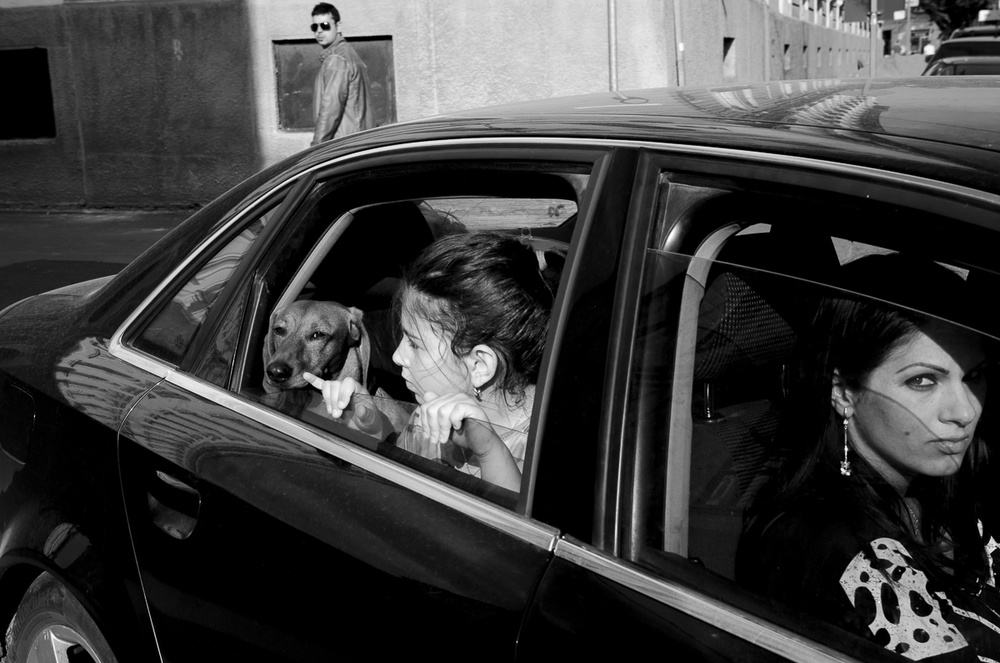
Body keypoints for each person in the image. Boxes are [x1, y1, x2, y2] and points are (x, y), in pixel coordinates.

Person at [736, 253, 1000, 661]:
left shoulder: (941, 489)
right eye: (923, 381)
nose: (964, 411)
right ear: (844, 392)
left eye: (974, 376)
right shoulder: (839, 549)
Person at [305, 232, 563, 491]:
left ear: (479, 365)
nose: (397, 356)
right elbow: (404, 479)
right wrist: (371, 429)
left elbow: (516, 515)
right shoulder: (429, 413)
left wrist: (488, 451)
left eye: (415, 344)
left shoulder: (551, 447)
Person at [309, 3, 375, 146]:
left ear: (338, 26)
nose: (319, 31)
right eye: (315, 27)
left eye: (325, 25)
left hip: (344, 145)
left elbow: (330, 109)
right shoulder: (349, 55)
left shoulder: (336, 60)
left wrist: (316, 148)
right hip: (357, 142)